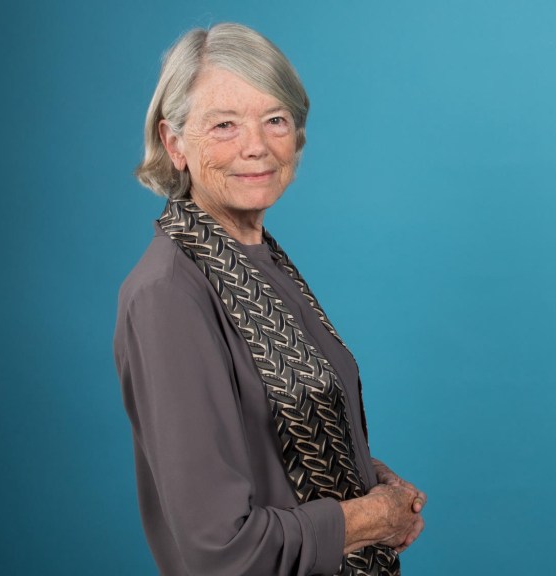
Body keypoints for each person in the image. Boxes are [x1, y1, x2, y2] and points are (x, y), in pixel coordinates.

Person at [114, 23, 425, 576]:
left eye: (275, 119)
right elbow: (220, 548)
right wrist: (372, 518)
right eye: (224, 124)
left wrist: (369, 478)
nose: (256, 145)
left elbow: (270, 443)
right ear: (174, 143)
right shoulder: (168, 294)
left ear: (297, 136)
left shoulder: (261, 260)